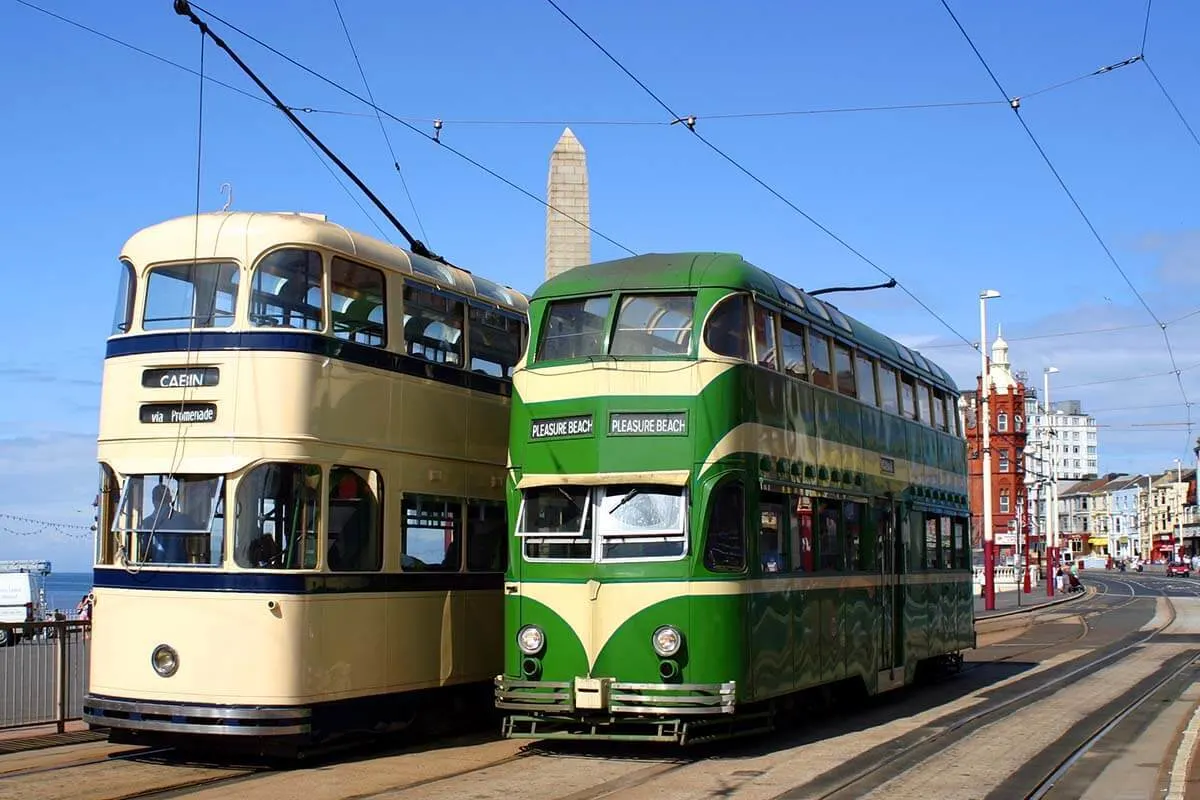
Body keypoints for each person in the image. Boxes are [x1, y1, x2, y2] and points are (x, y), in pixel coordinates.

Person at [139, 484, 197, 563]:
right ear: (170, 499)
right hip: (164, 568)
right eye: (159, 498)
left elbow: (144, 550)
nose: (161, 503)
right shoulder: (147, 523)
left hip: (178, 568)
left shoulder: (183, 519)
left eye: (162, 499)